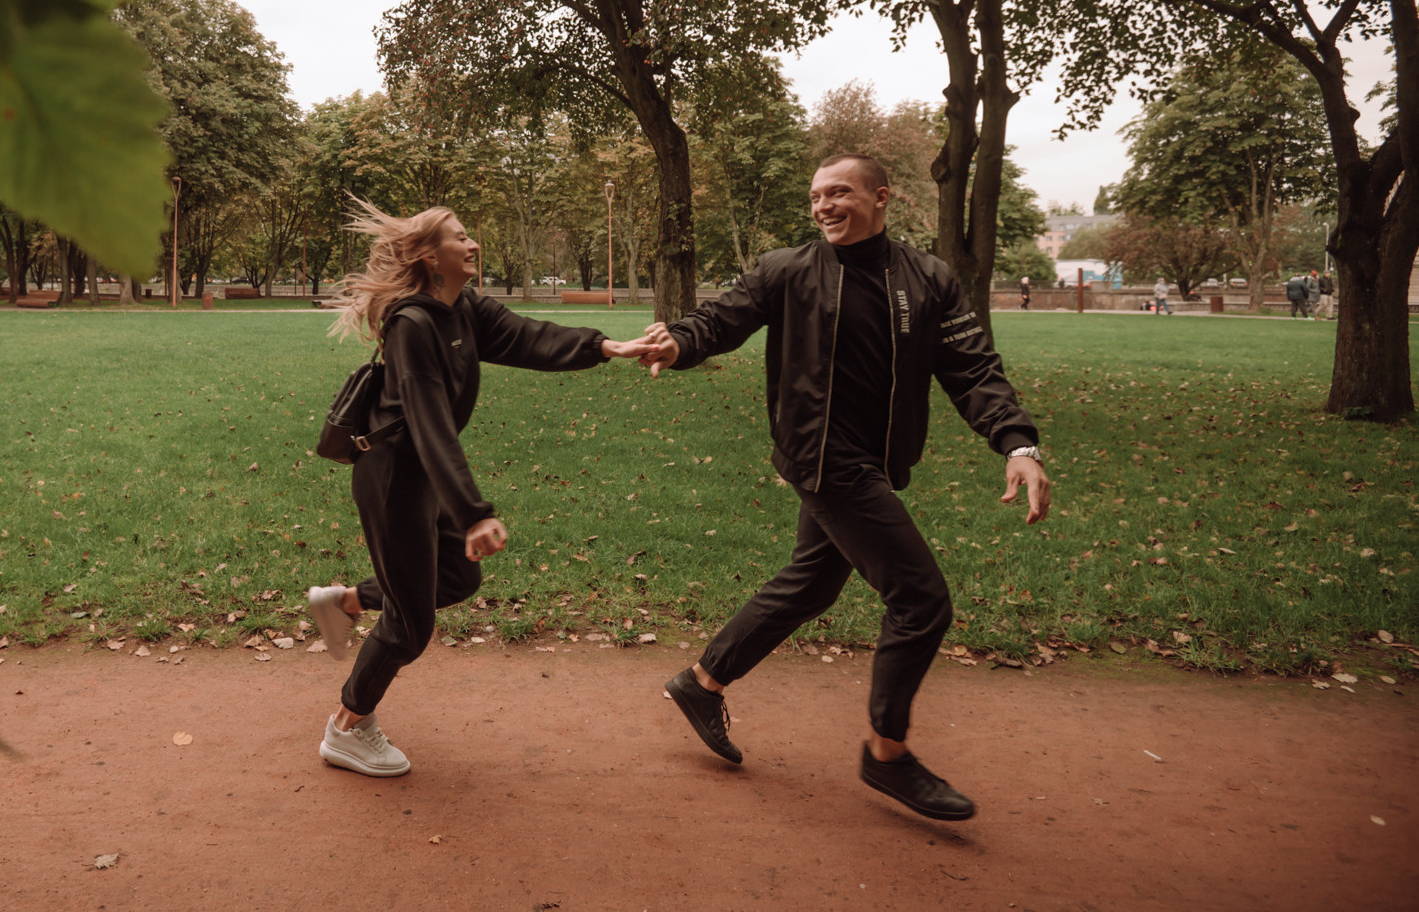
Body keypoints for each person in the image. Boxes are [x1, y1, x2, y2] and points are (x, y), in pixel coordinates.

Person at [625, 154, 1049, 822]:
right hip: (824, 460)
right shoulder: (787, 270)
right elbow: (722, 318)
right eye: (817, 195)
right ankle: (886, 755)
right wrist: (678, 341)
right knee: (921, 599)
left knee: (813, 581)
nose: (824, 205)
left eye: (839, 192)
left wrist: (1016, 443)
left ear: (881, 197)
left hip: (877, 463)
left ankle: (701, 682)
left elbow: (973, 368)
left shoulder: (929, 278)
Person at [304, 201, 650, 777]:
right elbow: (428, 422)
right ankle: (347, 727)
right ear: (428, 256)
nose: (473, 245)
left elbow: (526, 336)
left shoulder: (462, 308)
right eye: (460, 238)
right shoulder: (413, 325)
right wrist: (473, 513)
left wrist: (604, 346)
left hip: (419, 474)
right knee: (410, 627)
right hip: (392, 476)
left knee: (458, 576)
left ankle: (344, 600)